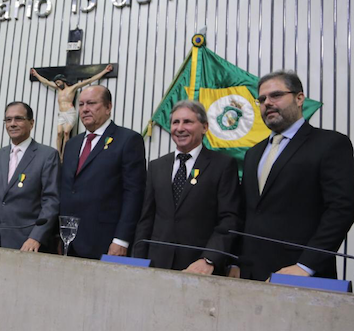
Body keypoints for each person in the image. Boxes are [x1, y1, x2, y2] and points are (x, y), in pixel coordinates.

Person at [240, 70, 354, 280]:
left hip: (303, 276)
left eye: (276, 95)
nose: (267, 103)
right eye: (262, 99)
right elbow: (247, 212)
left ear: (299, 98)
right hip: (250, 275)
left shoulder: (330, 144)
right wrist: (235, 262)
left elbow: (341, 209)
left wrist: (305, 266)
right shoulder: (252, 154)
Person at [134, 100, 242, 275]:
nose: (180, 128)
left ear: (205, 127)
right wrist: (137, 261)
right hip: (156, 266)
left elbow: (230, 219)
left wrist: (209, 258)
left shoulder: (222, 165)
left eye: (188, 122)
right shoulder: (156, 166)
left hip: (200, 267)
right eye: (175, 122)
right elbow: (146, 219)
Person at [59, 85, 146, 259]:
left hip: (105, 241)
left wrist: (121, 240)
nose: (85, 109)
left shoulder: (128, 140)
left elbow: (134, 194)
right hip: (69, 241)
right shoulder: (72, 144)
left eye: (91, 103)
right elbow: (68, 189)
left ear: (108, 107)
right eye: (81, 104)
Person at [0, 102, 59, 252]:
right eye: (8, 120)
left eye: (18, 119)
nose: (12, 124)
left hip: (28, 243)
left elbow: (51, 201)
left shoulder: (47, 155)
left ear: (31, 123)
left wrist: (36, 237)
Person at [30, 64, 113, 160]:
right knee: (59, 133)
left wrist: (104, 71)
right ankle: (58, 154)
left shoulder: (72, 89)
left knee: (66, 132)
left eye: (58, 82)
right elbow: (46, 82)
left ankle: (64, 154)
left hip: (70, 112)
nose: (57, 84)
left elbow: (89, 80)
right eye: (56, 83)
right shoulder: (58, 90)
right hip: (61, 114)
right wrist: (36, 74)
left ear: (63, 81)